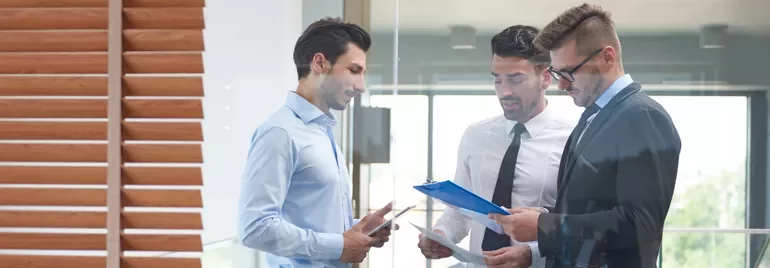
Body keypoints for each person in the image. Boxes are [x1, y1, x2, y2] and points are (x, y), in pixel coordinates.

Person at [489, 3, 682, 268]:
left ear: (607, 57)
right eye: (558, 73)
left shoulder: (643, 116)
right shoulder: (594, 115)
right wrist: (544, 221)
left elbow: (640, 223)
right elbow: (591, 211)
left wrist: (545, 226)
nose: (561, 85)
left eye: (569, 72)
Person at [237, 17, 396, 268]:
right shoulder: (280, 133)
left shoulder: (322, 133)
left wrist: (358, 229)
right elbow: (255, 228)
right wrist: (340, 246)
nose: (361, 86)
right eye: (354, 70)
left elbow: (311, 219)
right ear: (320, 63)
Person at [417, 25, 576, 268]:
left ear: (545, 77)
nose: (504, 91)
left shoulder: (573, 139)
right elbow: (461, 209)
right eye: (497, 79)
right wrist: (442, 234)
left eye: (515, 79)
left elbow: (577, 224)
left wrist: (530, 253)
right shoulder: (476, 135)